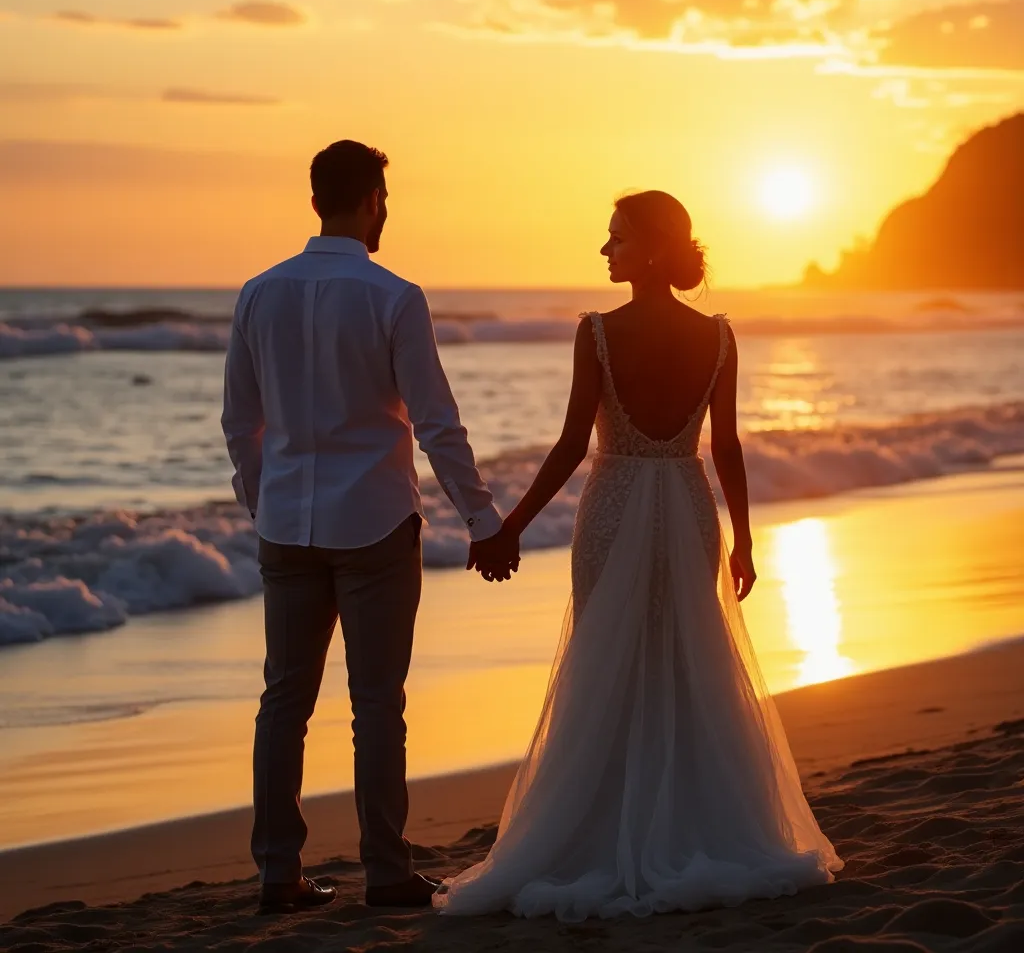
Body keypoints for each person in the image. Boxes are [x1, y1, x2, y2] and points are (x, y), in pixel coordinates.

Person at [436, 190, 843, 921]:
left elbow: (569, 447)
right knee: (691, 659)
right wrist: (744, 537)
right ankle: (696, 822)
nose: (605, 250)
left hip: (616, 501)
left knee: (608, 661)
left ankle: (607, 829)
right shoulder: (718, 336)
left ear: (651, 248)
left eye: (617, 237)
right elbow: (725, 447)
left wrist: (511, 528)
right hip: (689, 506)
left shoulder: (595, 332)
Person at [221, 140, 519, 915]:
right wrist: (482, 518)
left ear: (317, 199)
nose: (386, 210)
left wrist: (266, 502)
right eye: (384, 197)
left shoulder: (258, 293)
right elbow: (435, 422)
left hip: (287, 525)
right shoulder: (394, 295)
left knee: (284, 699)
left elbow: (239, 422)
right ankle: (386, 872)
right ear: (369, 201)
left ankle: (277, 874)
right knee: (376, 702)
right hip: (376, 524)